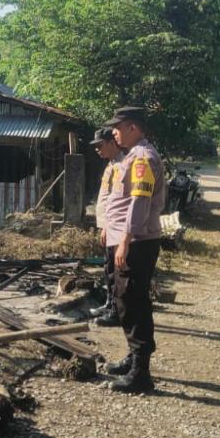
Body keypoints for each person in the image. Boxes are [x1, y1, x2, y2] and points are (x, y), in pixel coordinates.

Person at [100, 106, 167, 393]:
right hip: (129, 239)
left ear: (133, 128)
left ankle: (141, 372)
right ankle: (134, 356)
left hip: (137, 241)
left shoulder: (142, 158)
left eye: (119, 126)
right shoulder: (132, 155)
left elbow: (139, 202)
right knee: (126, 299)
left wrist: (126, 239)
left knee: (133, 301)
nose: (114, 132)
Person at [89, 127, 122, 326]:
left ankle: (116, 310)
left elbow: (117, 201)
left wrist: (108, 226)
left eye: (100, 145)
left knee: (115, 271)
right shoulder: (112, 164)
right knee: (108, 267)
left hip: (115, 227)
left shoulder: (122, 165)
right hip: (108, 227)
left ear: (111, 143)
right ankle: (110, 304)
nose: (97, 150)